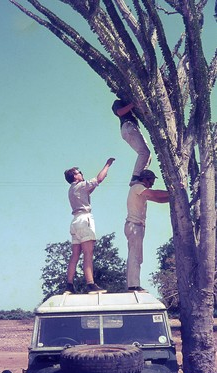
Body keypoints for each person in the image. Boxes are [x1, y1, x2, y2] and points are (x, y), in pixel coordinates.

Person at [64, 158, 115, 294]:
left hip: (75, 222)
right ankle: (91, 284)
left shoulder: (72, 189)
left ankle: (69, 285)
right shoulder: (80, 185)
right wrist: (107, 165)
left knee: (75, 255)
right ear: (75, 176)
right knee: (88, 253)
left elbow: (90, 189)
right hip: (84, 219)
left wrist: (100, 178)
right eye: (79, 172)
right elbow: (98, 179)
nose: (81, 173)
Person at [124, 169, 169, 292]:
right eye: (152, 181)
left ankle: (133, 284)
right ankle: (133, 286)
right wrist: (173, 192)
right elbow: (155, 194)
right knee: (135, 255)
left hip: (137, 226)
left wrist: (173, 197)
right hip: (134, 225)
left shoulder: (139, 190)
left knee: (137, 256)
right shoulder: (138, 187)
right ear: (145, 179)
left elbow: (158, 199)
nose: (152, 183)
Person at [112, 99, 151, 185]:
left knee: (148, 155)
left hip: (131, 127)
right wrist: (133, 103)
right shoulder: (118, 102)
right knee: (144, 153)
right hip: (128, 126)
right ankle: (135, 178)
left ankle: (140, 178)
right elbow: (120, 112)